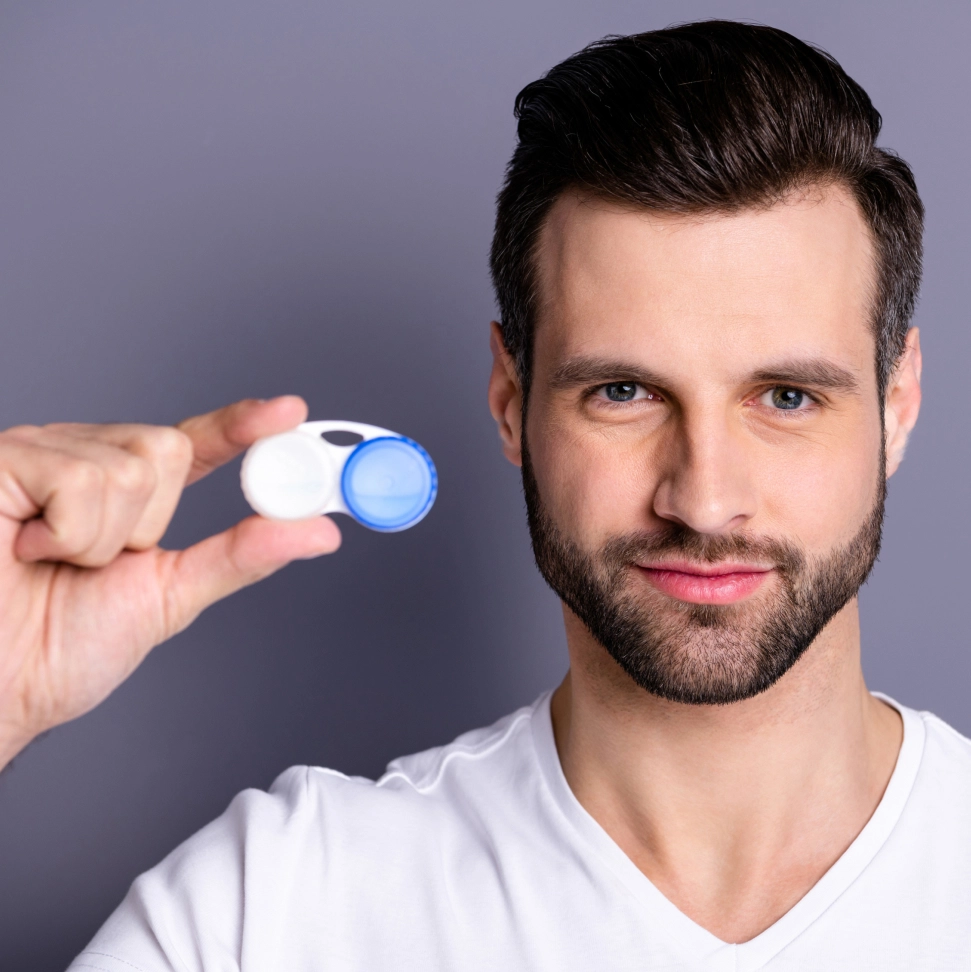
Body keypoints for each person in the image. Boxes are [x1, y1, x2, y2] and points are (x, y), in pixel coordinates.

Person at [1, 19, 965, 970]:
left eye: (786, 397)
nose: (703, 500)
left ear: (897, 402)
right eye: (621, 393)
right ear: (510, 400)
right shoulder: (273, 910)